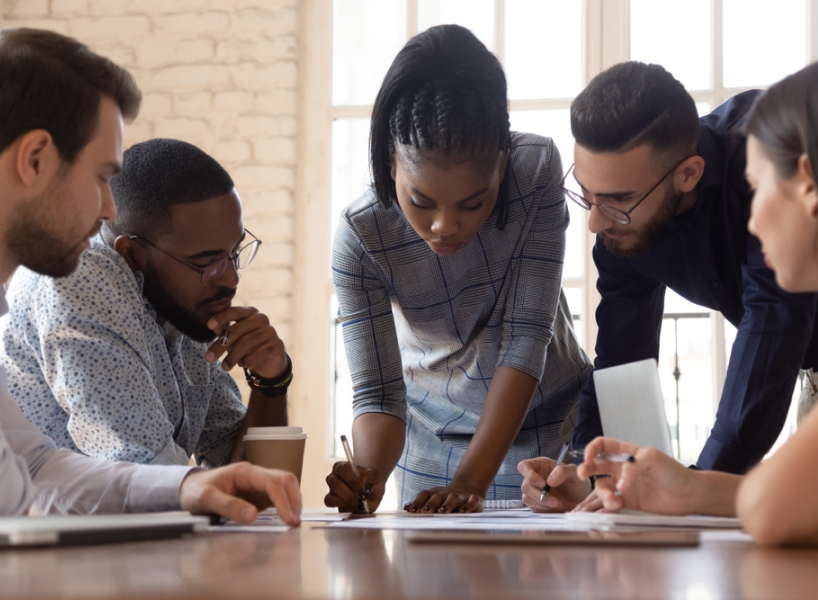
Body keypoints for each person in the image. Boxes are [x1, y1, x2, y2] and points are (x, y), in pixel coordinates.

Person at [522, 54, 818, 546]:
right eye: (587, 196)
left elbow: (773, 328)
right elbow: (620, 362)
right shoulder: (617, 228)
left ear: (690, 174)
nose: (594, 221)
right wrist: (596, 475)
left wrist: (693, 490)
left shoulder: (761, 144)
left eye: (616, 201)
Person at [0, 26, 300, 524]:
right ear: (34, 160)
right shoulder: (86, 275)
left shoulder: (179, 310)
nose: (109, 209)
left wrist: (191, 484)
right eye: (100, 177)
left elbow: (33, 468)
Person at [323, 24, 591, 514]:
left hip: (554, 425)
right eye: (421, 202)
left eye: (474, 203)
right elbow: (378, 393)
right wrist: (368, 476)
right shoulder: (360, 236)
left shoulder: (535, 171)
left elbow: (526, 338)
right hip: (433, 443)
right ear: (390, 163)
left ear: (503, 163)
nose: (445, 226)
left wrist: (472, 480)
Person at [1, 137, 292, 467]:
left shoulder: (184, 308)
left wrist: (272, 379)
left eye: (234, 252)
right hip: (33, 515)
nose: (231, 279)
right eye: (206, 262)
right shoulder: (79, 273)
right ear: (131, 253)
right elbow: (150, 481)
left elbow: (254, 485)